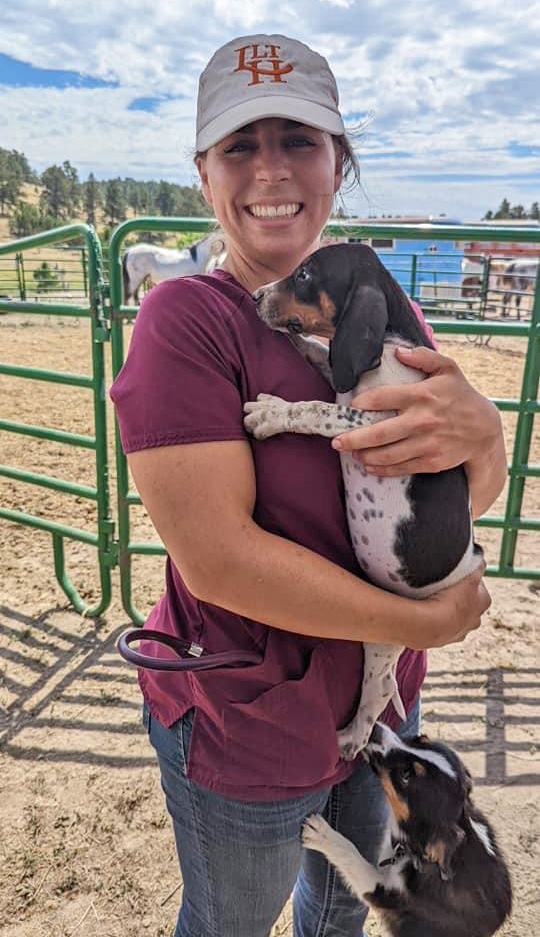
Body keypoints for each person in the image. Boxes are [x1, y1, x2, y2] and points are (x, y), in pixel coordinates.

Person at [110, 34, 506, 937]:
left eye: (300, 140)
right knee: (234, 922)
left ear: (339, 162)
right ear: (204, 172)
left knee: (339, 910)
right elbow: (219, 563)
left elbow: (451, 502)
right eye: (240, 146)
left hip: (374, 706)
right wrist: (426, 624)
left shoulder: (377, 312)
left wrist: (488, 434)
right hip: (245, 719)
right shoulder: (186, 322)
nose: (271, 171)